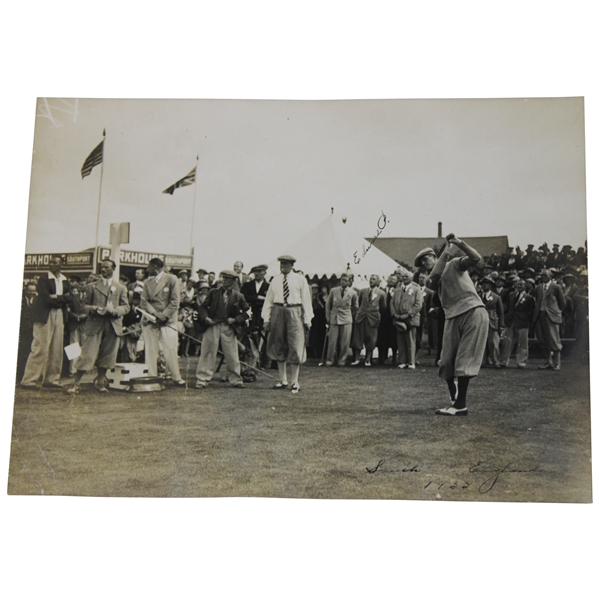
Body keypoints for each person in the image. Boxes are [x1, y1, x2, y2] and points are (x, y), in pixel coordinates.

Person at [415, 235, 489, 416]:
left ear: (434, 256)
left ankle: (460, 405)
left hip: (473, 311)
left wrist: (459, 243)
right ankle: (454, 397)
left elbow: (476, 259)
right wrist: (446, 251)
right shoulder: (430, 279)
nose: (425, 263)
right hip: (452, 316)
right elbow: (435, 278)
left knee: (464, 360)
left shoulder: (454, 263)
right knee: (446, 361)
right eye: (422, 262)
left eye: (427, 258)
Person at [67, 259, 130, 393]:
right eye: (102, 267)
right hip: (95, 323)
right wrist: (94, 308)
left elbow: (126, 307)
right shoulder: (92, 287)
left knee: (108, 355)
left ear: (113, 269)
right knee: (87, 354)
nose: (103, 270)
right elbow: (83, 306)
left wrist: (115, 311)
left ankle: (100, 382)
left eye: (107, 267)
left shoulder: (120, 288)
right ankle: (75, 384)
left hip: (113, 324)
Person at [262, 255, 313, 393]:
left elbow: (306, 301)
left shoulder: (300, 279)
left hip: (294, 310)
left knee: (295, 344)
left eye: (285, 264)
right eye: (281, 264)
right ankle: (282, 379)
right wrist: (266, 319)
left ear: (292, 265)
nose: (282, 266)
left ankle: (295, 381)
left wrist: (307, 319)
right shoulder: (275, 280)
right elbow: (269, 300)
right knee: (278, 344)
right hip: (278, 311)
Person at [21, 256, 72, 389]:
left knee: (56, 348)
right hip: (44, 315)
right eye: (51, 262)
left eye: (55, 262)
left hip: (59, 314)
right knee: (40, 346)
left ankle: (51, 379)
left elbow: (70, 297)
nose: (52, 264)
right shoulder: (44, 279)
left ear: (61, 265)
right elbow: (45, 299)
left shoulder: (65, 280)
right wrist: (62, 298)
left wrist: (56, 297)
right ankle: (29, 380)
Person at [195, 270, 249, 388]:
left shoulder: (238, 296)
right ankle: (202, 379)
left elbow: (247, 312)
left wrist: (235, 319)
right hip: (213, 325)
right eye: (224, 278)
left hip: (228, 327)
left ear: (234, 281)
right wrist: (206, 318)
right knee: (208, 351)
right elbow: (202, 307)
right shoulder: (213, 292)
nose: (225, 281)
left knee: (232, 354)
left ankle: (236, 380)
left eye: (228, 279)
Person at [140, 257, 186, 386]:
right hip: (151, 319)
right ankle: (152, 376)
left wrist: (164, 315)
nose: (147, 269)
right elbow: (144, 301)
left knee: (170, 348)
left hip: (168, 320)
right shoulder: (147, 282)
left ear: (155, 267)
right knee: (150, 349)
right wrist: (155, 314)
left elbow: (175, 301)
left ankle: (176, 377)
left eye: (148, 266)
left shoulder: (171, 279)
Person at [533, 269, 566, 371]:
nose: (543, 277)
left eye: (545, 276)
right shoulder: (538, 288)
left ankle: (557, 363)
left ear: (550, 276)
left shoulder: (556, 287)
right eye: (542, 276)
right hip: (540, 315)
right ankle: (549, 362)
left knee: (554, 339)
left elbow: (562, 303)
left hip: (551, 316)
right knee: (542, 339)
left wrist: (556, 312)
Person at [390, 267, 423, 369]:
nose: (404, 278)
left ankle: (411, 362)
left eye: (406, 276)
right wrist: (395, 314)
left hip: (410, 319)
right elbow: (391, 303)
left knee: (411, 340)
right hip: (398, 319)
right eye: (403, 276)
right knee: (400, 341)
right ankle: (402, 361)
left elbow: (418, 304)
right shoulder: (397, 290)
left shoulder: (416, 289)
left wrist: (408, 314)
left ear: (411, 278)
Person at [351, 275, 386, 367]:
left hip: (373, 319)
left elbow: (383, 307)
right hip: (361, 317)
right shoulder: (362, 291)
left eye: (374, 279)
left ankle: (368, 359)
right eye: (370, 279)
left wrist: (375, 314)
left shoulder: (381, 293)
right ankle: (357, 359)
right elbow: (359, 302)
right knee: (358, 338)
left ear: (378, 281)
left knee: (371, 339)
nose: (371, 280)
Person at [499, 278, 535, 368]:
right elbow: (508, 307)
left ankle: (521, 361)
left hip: (522, 322)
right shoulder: (511, 295)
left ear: (525, 286)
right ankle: (504, 360)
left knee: (522, 342)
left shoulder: (529, 298)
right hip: (511, 321)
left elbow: (531, 311)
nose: (519, 286)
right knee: (507, 341)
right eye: (518, 284)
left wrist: (526, 319)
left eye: (521, 284)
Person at [325, 273, 358, 366]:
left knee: (345, 341)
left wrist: (350, 314)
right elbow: (328, 304)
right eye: (342, 280)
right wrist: (328, 317)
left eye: (346, 280)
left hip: (346, 318)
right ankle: (329, 359)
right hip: (334, 318)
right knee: (332, 340)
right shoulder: (333, 291)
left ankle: (342, 360)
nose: (344, 282)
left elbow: (356, 307)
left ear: (349, 281)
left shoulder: (353, 293)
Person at [240, 264, 270, 369]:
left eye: (260, 272)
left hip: (262, 314)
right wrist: (258, 297)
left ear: (265, 273)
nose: (258, 274)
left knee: (262, 336)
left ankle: (259, 360)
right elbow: (243, 297)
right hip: (250, 313)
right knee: (248, 336)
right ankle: (249, 359)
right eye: (256, 272)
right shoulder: (247, 285)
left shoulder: (269, 286)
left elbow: (270, 300)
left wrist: (259, 300)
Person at [479, 275, 505, 368]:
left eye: (487, 284)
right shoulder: (477, 296)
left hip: (492, 322)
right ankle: (482, 362)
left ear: (491, 285)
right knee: (480, 343)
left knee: (494, 343)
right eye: (483, 284)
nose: (485, 285)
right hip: (480, 321)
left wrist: (501, 324)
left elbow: (501, 312)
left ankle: (496, 361)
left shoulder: (496, 297)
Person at [16, 283, 38, 382]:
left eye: (33, 291)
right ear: (26, 290)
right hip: (24, 329)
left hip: (34, 329)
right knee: (22, 351)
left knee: (31, 351)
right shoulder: (21, 300)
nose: (31, 293)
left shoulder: (37, 301)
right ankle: (19, 375)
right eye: (29, 290)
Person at [377, 274, 399, 366]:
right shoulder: (381, 290)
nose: (392, 281)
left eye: (394, 280)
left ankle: (394, 358)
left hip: (393, 319)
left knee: (394, 340)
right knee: (382, 339)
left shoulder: (398, 291)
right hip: (383, 318)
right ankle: (381, 358)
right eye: (391, 279)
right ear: (387, 280)